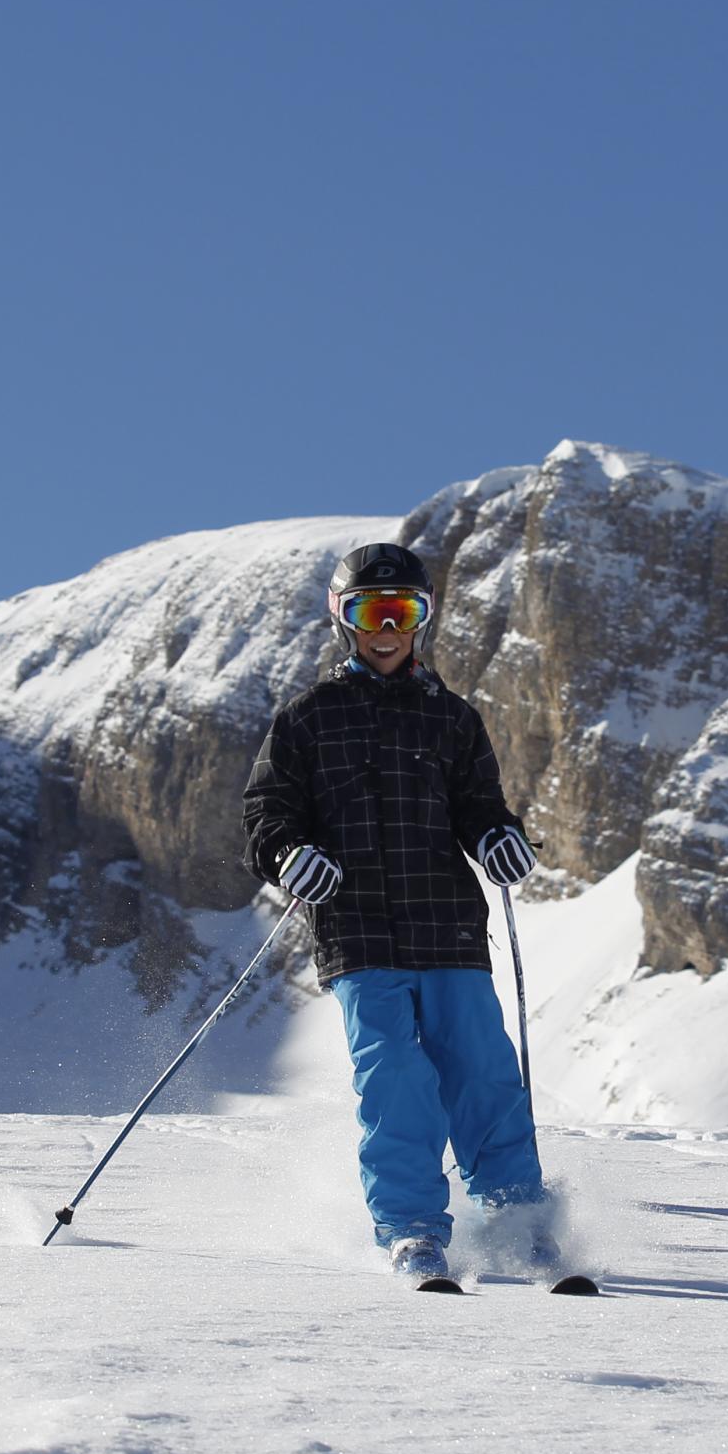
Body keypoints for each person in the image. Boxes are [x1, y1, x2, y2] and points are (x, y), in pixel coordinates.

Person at [241, 542, 553, 1284]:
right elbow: (267, 815)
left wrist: (498, 839)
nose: (387, 628)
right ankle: (412, 1228)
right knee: (396, 1080)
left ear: (423, 619)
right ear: (343, 621)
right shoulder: (308, 719)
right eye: (370, 612)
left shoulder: (452, 719)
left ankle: (519, 1219)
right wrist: (289, 855)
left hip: (447, 925)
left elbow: (480, 806)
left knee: (482, 1070)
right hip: (358, 931)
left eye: (402, 611)